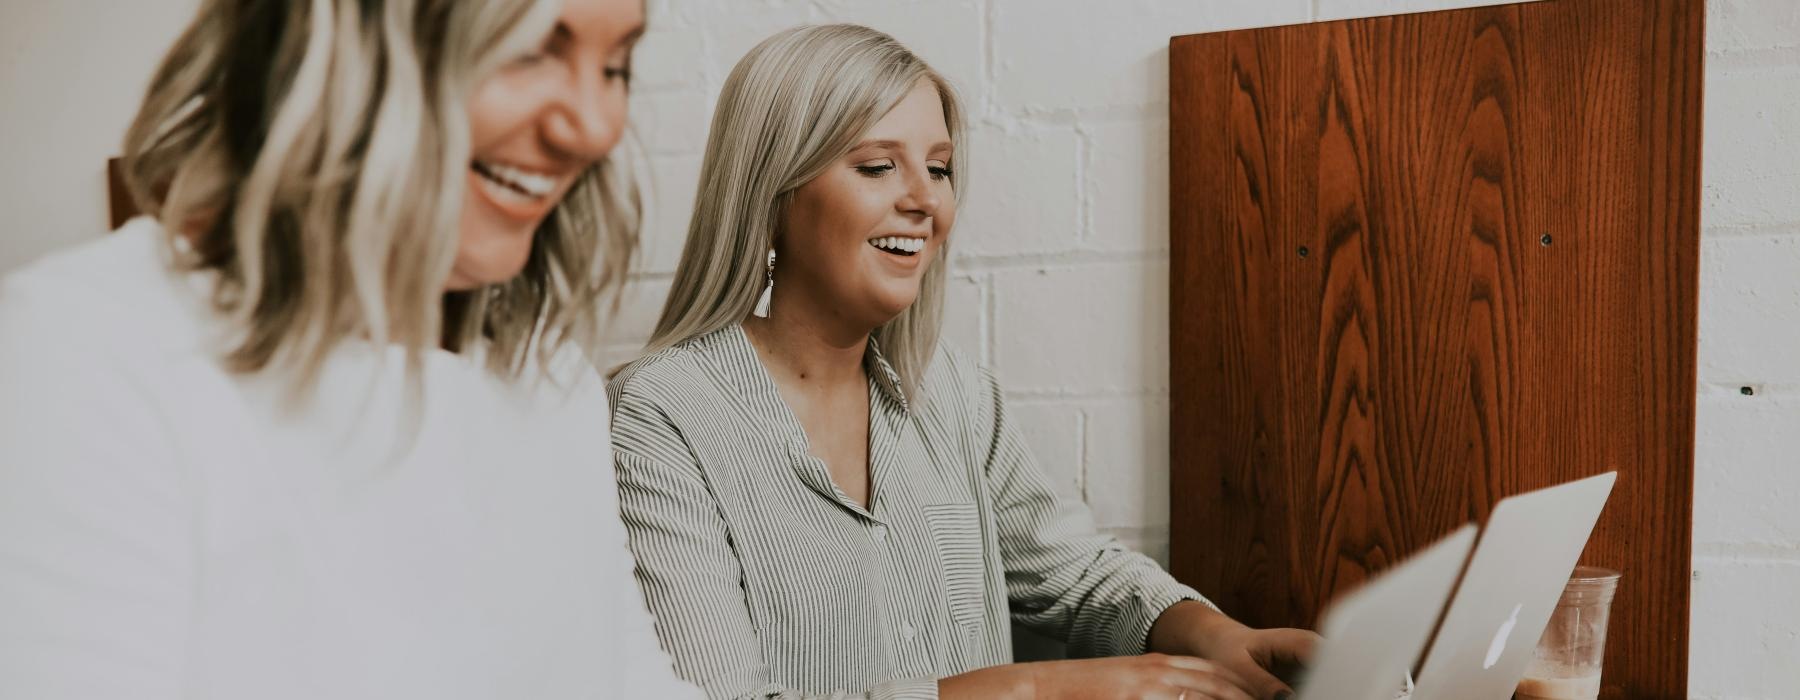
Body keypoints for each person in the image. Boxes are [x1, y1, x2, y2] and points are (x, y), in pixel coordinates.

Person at [0, 0, 699, 697]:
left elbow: (624, 673)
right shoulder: (90, 353)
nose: (597, 125)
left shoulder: (550, 380)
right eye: (527, 50)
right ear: (344, 47)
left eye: (614, 66)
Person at [609, 24, 1316, 700]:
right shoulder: (659, 417)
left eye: (939, 168)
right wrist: (1034, 688)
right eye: (878, 165)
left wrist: (1216, 635)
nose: (926, 200)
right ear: (773, 189)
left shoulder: (950, 393)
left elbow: (1072, 571)